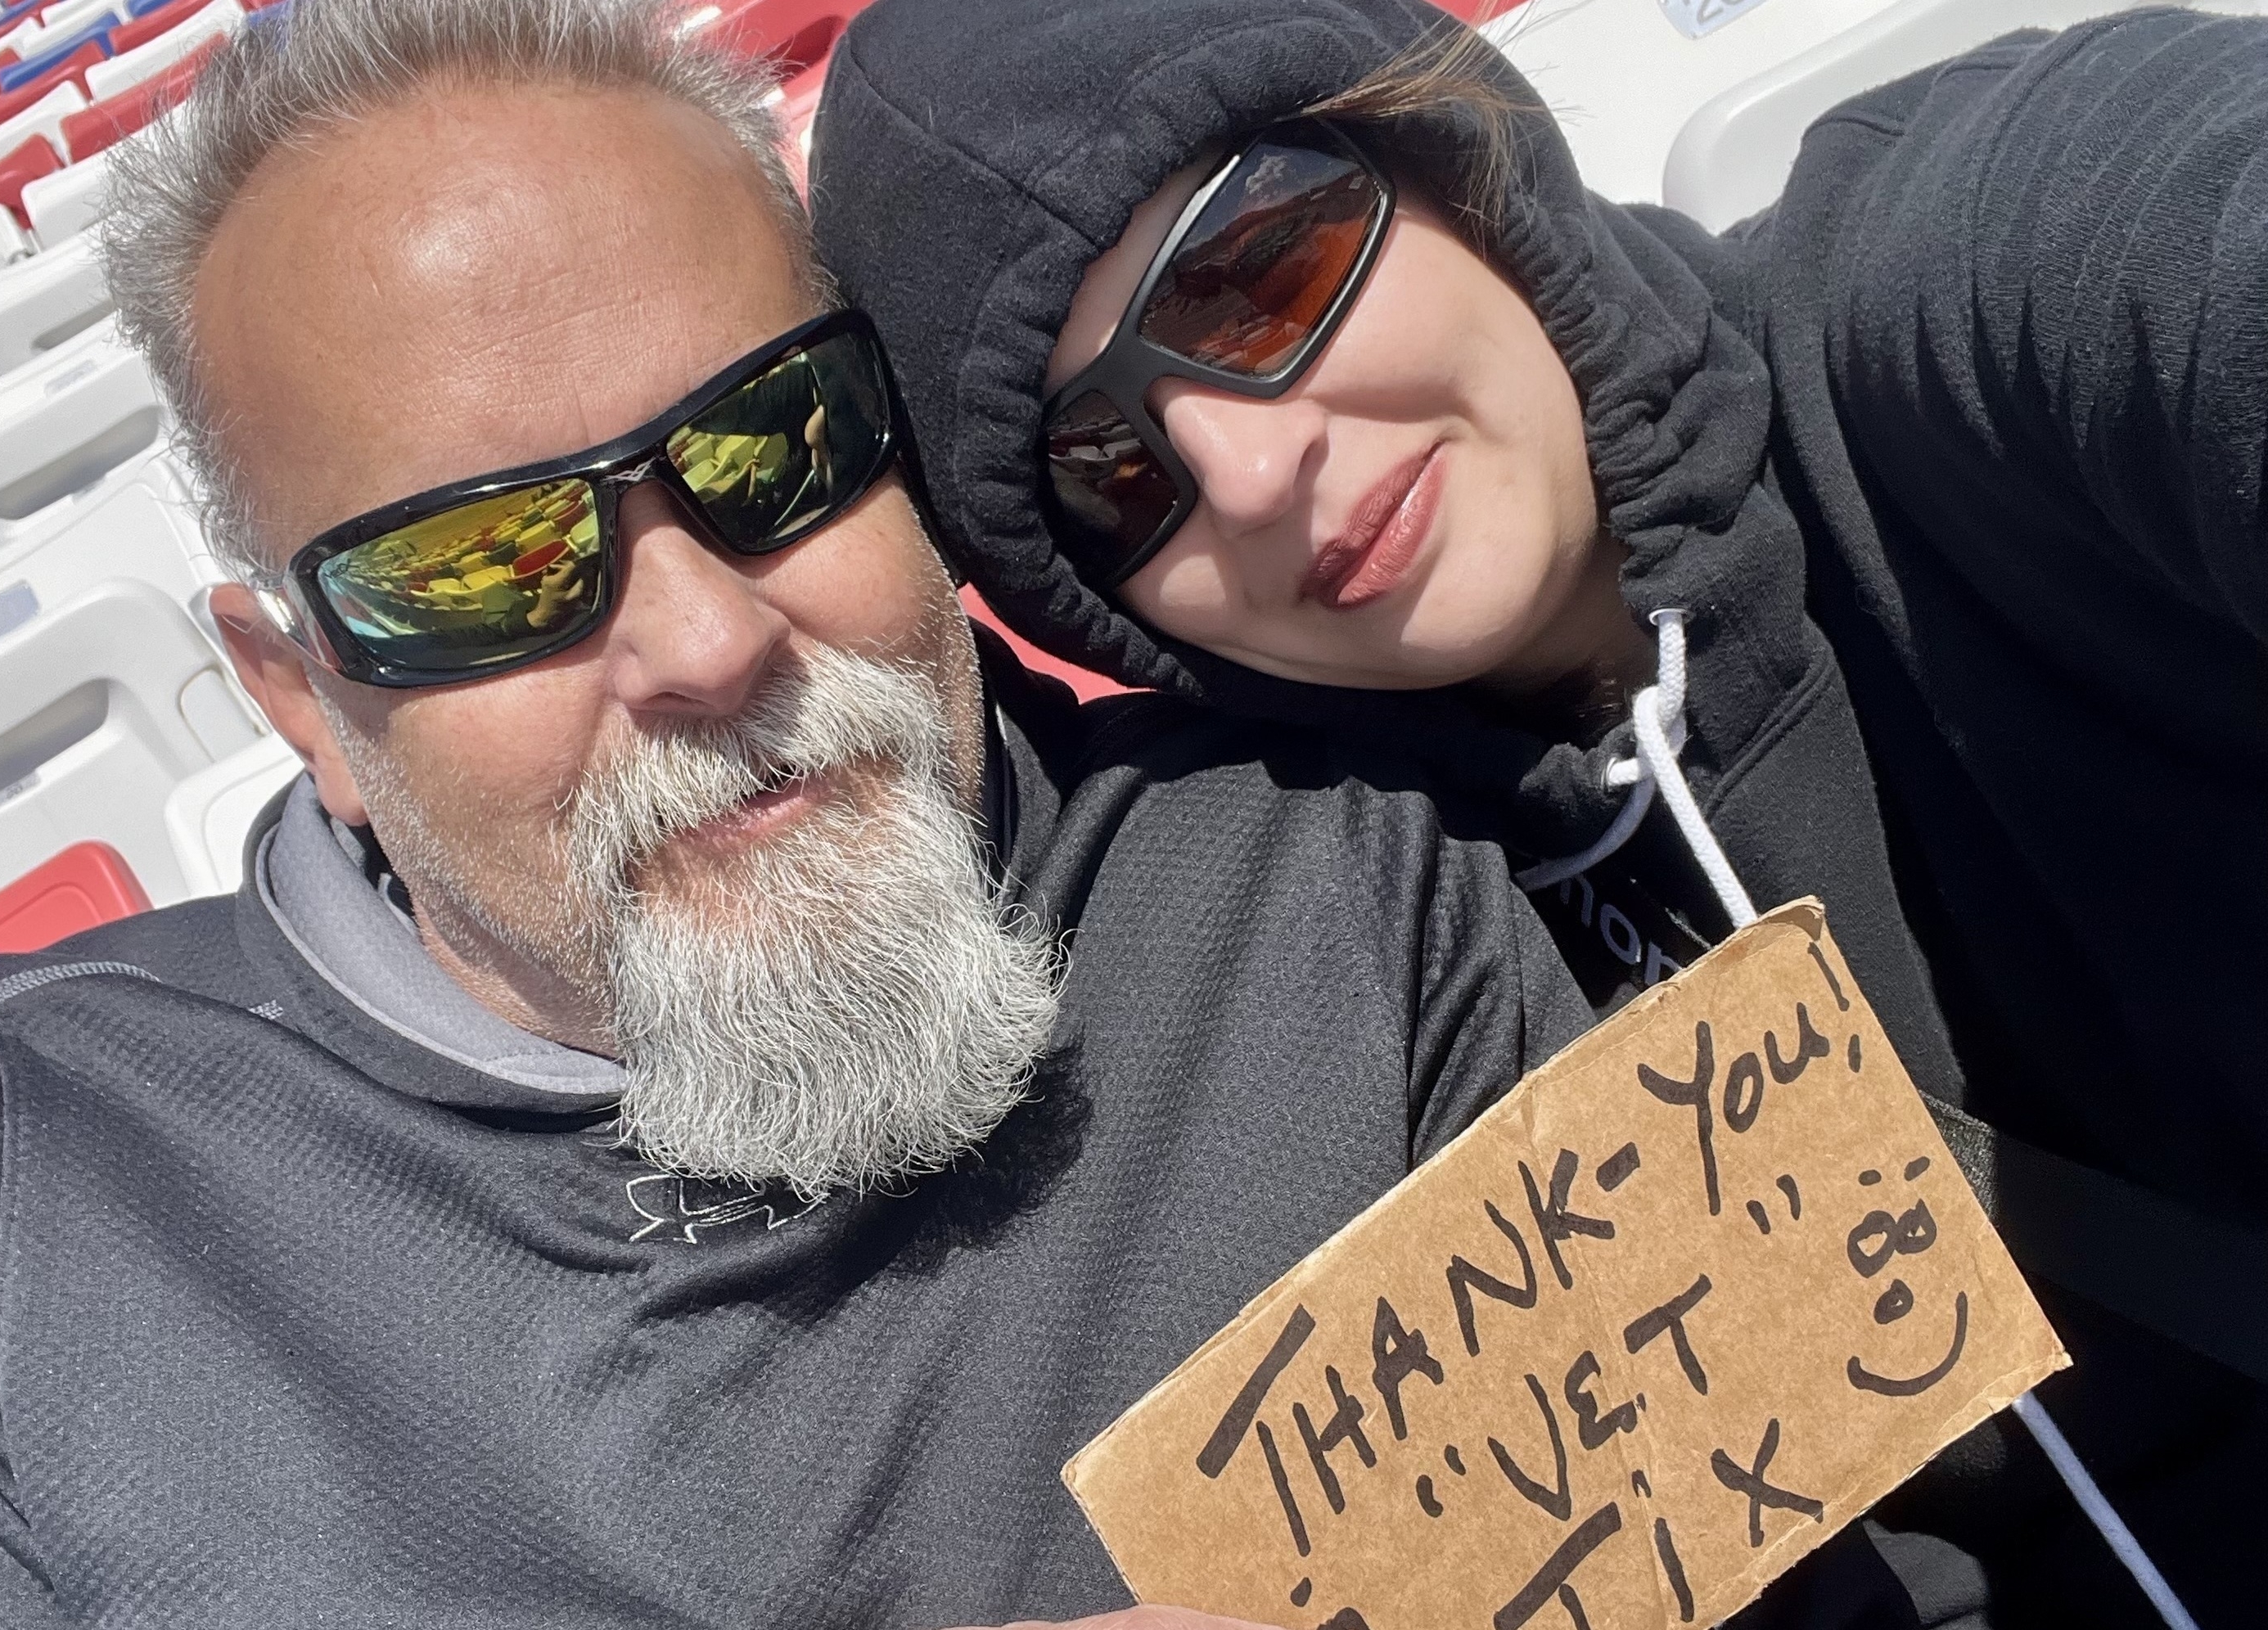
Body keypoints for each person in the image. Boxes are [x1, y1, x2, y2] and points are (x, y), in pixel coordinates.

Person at [0, 0, 1616, 1623]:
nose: (708, 643)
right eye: (484, 566)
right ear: (303, 701)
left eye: (772, 445)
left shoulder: (1327, 881)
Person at [805, 2, 2268, 1625]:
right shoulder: (1372, 944)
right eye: (1112, 473)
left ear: (1437, 149)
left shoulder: (1954, 303)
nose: (1248, 472)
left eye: (1252, 274)